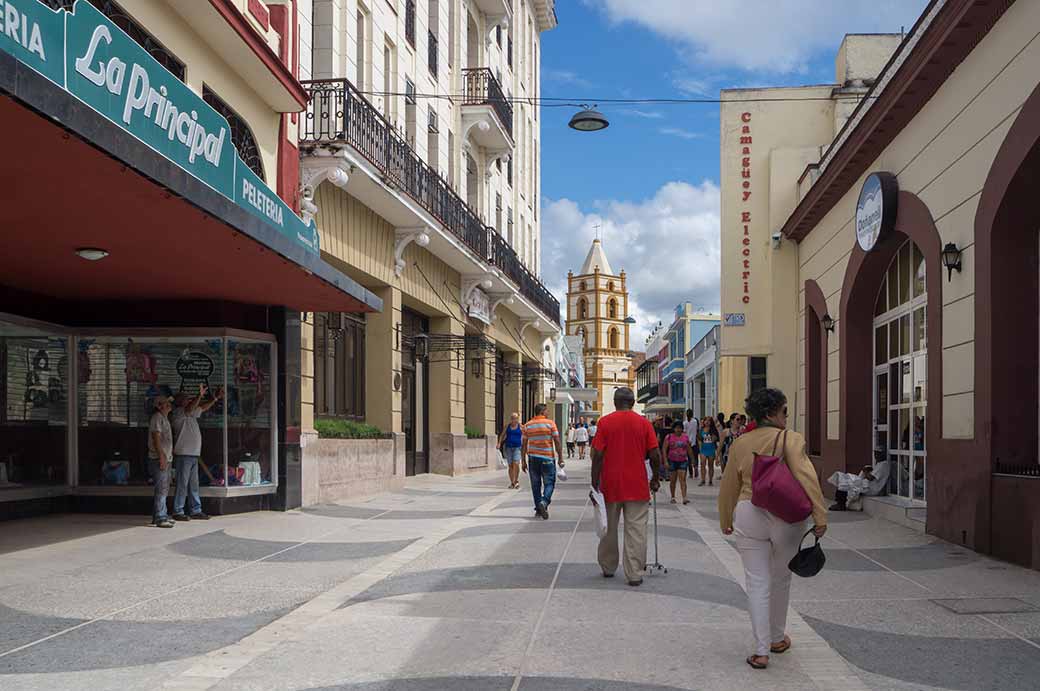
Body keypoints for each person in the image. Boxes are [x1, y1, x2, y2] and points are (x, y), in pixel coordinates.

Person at [718, 387, 828, 670]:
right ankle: (778, 638)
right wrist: (819, 514)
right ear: (771, 414)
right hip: (786, 516)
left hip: (747, 512)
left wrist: (725, 519)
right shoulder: (790, 439)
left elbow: (729, 484)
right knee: (781, 579)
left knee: (757, 582)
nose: (787, 417)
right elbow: (806, 476)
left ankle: (760, 650)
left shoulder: (740, 443)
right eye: (784, 411)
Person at [591, 387, 662, 586]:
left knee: (609, 527)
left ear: (614, 402)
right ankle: (635, 574)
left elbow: (597, 455)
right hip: (637, 484)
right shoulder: (644, 423)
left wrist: (594, 483)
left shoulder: (605, 422)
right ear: (632, 403)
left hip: (610, 483)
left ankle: (608, 566)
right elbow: (655, 454)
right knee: (637, 530)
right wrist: (655, 478)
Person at [170, 383, 223, 521]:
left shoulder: (190, 413)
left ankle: (195, 510)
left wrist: (215, 399)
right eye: (186, 399)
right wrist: (199, 395)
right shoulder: (178, 413)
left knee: (193, 484)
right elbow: (191, 408)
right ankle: (178, 511)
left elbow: (202, 407)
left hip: (193, 454)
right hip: (184, 454)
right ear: (180, 402)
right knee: (182, 483)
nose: (189, 400)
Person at [522, 404, 564, 520]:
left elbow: (524, 444)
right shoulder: (550, 423)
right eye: (547, 411)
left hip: (532, 458)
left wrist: (523, 461)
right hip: (547, 458)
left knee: (535, 485)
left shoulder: (527, 425)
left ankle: (538, 509)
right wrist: (560, 457)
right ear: (543, 411)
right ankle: (544, 502)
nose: (548, 413)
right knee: (549, 483)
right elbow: (557, 441)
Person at [148, 394, 175, 528]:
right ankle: (160, 517)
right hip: (159, 458)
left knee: (164, 487)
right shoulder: (157, 418)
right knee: (161, 488)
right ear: (159, 406)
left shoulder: (164, 418)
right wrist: (162, 456)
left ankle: (161, 514)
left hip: (166, 457)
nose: (169, 405)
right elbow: (156, 438)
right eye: (166, 403)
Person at [663, 420, 695, 504]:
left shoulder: (685, 437)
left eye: (680, 428)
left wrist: (692, 459)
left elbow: (689, 449)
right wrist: (665, 461)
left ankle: (684, 497)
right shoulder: (669, 437)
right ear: (674, 429)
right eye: (677, 428)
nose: (678, 430)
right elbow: (664, 449)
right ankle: (673, 497)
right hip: (672, 461)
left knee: (683, 480)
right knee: (673, 480)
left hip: (683, 461)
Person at [498, 412, 524, 489]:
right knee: (510, 465)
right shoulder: (507, 426)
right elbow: (502, 435)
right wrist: (499, 443)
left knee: (516, 463)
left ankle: (516, 481)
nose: (514, 420)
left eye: (516, 418)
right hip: (508, 447)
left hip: (517, 447)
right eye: (513, 418)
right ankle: (512, 482)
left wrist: (525, 445)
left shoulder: (521, 426)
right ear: (511, 419)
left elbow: (525, 436)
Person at [698, 416, 720, 486]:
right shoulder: (701, 430)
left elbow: (715, 439)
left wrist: (711, 434)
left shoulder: (713, 430)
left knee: (710, 465)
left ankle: (710, 480)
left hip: (711, 449)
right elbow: (699, 439)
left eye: (709, 421)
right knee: (702, 464)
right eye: (706, 420)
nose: (707, 422)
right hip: (703, 449)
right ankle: (703, 479)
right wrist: (700, 448)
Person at [684, 409, 700, 479]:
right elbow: (696, 431)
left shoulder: (685, 423)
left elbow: (684, 433)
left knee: (689, 458)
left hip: (687, 442)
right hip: (694, 441)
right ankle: (695, 468)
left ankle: (691, 473)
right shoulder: (695, 421)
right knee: (695, 456)